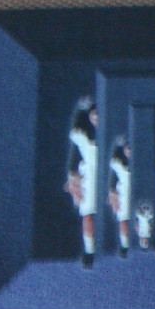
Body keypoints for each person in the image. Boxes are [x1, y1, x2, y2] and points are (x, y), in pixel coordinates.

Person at [65, 97, 99, 268]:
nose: (97, 118)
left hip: (111, 178)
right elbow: (73, 158)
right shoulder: (80, 135)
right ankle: (89, 251)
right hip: (90, 176)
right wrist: (73, 179)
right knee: (88, 213)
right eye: (94, 114)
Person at [107, 136, 133, 257]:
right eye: (127, 148)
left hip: (136, 194)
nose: (129, 151)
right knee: (123, 219)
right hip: (122, 193)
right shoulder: (117, 164)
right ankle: (124, 246)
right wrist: (113, 193)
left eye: (131, 149)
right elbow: (113, 180)